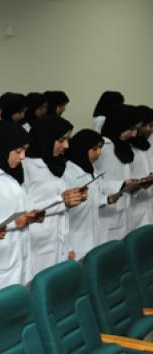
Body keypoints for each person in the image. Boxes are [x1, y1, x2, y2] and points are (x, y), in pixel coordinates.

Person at [0, 120, 36, 293]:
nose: (23, 157)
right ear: (1, 147)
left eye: (25, 150)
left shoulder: (17, 173)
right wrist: (12, 223)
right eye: (18, 151)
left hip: (19, 259)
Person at [23, 116, 83, 275]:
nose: (66, 145)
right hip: (37, 246)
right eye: (61, 140)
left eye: (67, 140)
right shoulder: (26, 167)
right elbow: (23, 209)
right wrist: (61, 201)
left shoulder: (58, 164)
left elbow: (63, 214)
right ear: (46, 139)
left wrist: (69, 246)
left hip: (58, 242)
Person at [95, 104, 142, 243]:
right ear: (119, 124)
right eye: (131, 129)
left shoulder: (125, 147)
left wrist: (136, 184)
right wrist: (120, 185)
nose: (134, 134)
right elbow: (93, 182)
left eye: (136, 129)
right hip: (106, 215)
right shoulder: (101, 148)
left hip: (125, 212)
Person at [63, 129, 106, 259]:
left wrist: (107, 199)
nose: (99, 153)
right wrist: (68, 247)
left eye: (100, 148)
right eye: (94, 149)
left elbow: (94, 198)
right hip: (76, 241)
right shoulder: (67, 173)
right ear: (82, 149)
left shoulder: (90, 169)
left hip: (93, 236)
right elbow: (63, 214)